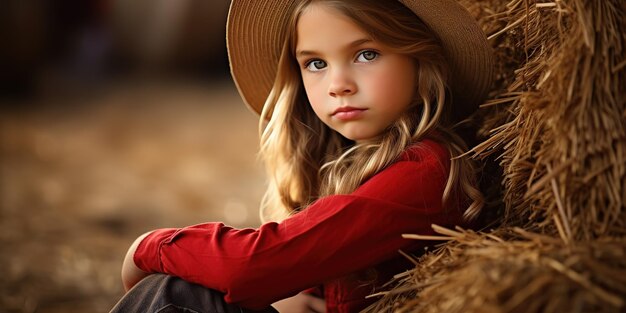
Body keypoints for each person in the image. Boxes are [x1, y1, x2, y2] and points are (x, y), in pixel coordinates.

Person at [111, 0, 494, 312]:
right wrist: (310, 297)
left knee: (176, 295)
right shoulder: (361, 163)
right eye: (316, 64)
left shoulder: (423, 172)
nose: (338, 85)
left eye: (366, 54)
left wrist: (150, 247)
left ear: (420, 60)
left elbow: (251, 266)